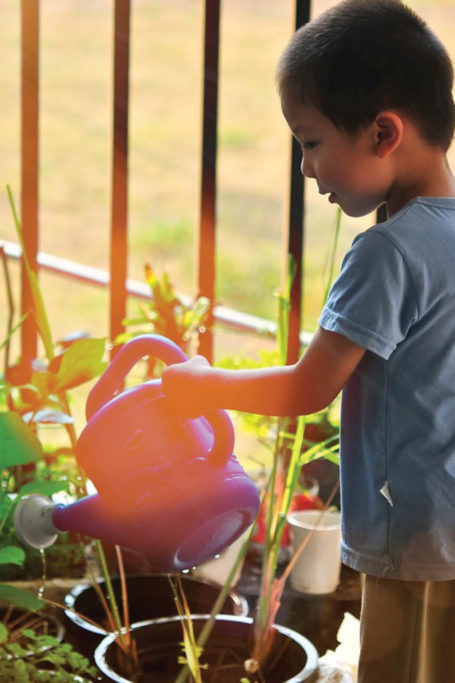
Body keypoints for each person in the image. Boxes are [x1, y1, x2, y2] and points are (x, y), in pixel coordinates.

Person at [162, 1, 455, 680]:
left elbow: (305, 386)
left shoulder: (388, 252)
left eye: (311, 141)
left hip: (417, 544)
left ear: (382, 132)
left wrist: (201, 384)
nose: (305, 168)